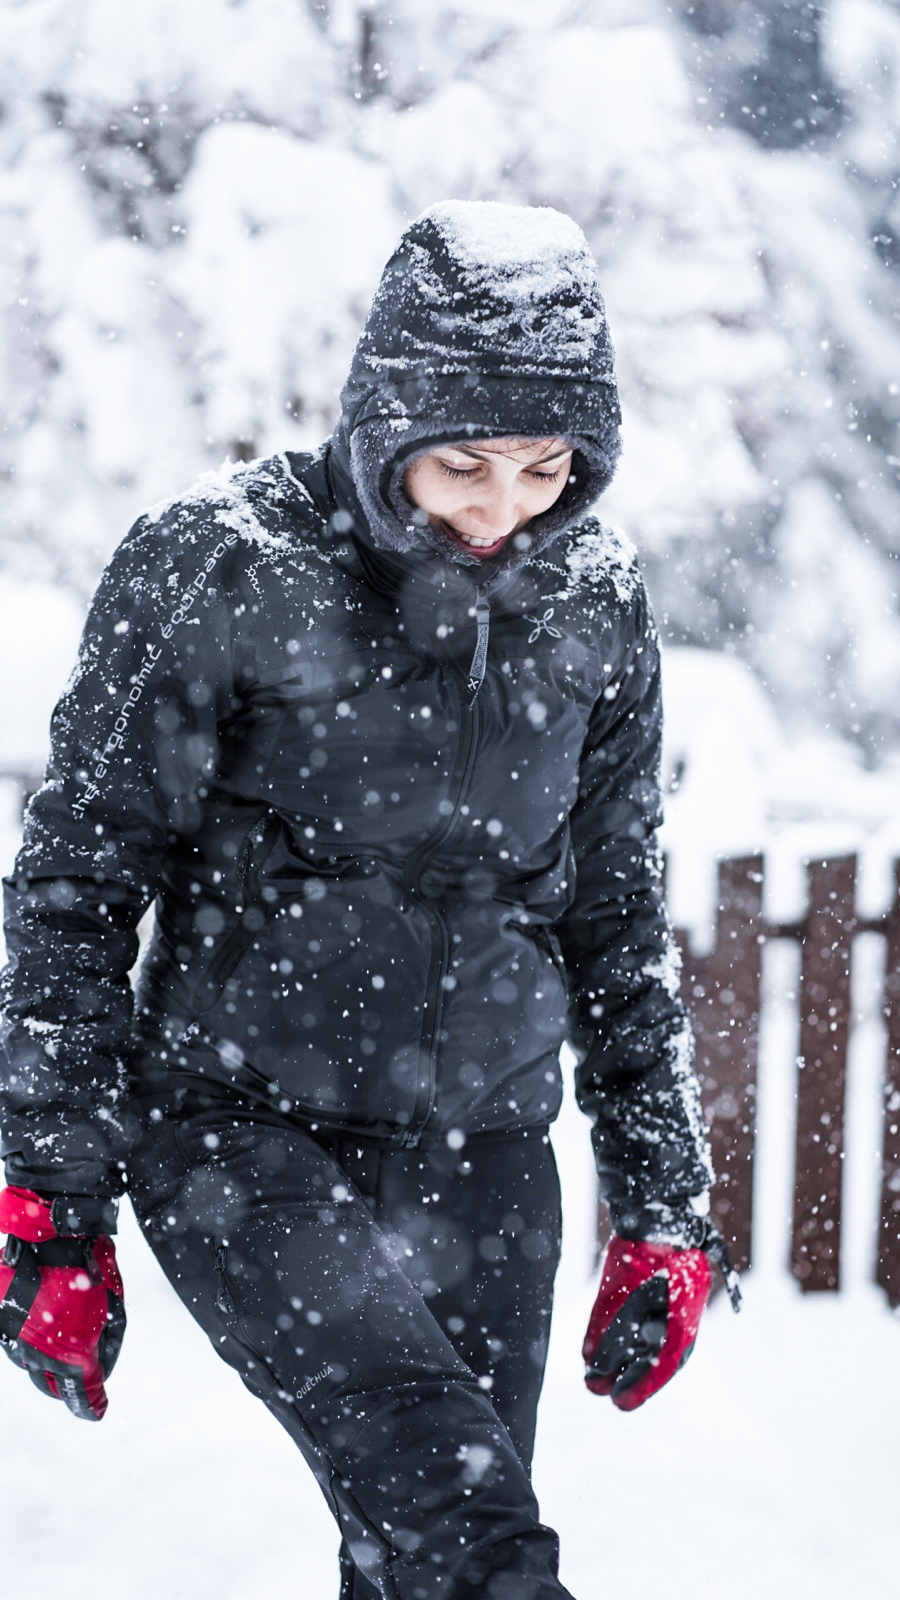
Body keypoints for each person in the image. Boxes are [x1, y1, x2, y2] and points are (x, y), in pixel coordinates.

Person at [0, 200, 738, 1600]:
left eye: (542, 467)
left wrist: (661, 1202)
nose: (497, 509)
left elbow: (617, 921)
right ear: (383, 422)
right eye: (460, 463)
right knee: (472, 1542)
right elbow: (83, 877)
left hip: (486, 1155)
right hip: (243, 1139)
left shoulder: (597, 601)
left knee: (414, 1558)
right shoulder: (224, 562)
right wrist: (52, 1191)